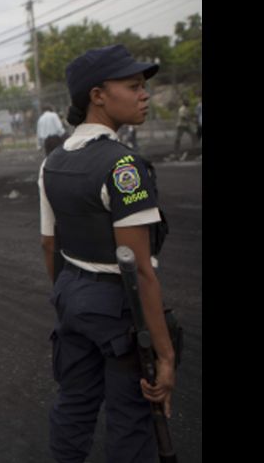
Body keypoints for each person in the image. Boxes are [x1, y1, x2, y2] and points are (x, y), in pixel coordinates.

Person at [38, 45, 175, 463]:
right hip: (117, 305)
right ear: (98, 95)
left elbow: (49, 243)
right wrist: (166, 357)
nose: (144, 94)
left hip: (70, 292)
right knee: (131, 417)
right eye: (133, 86)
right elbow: (141, 272)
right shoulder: (123, 167)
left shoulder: (52, 163)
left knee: (75, 406)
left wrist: (71, 293)